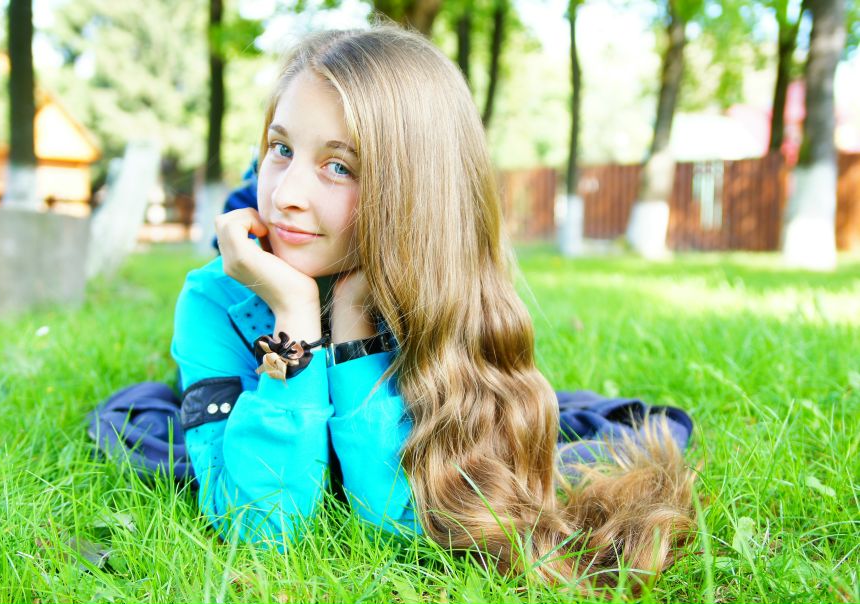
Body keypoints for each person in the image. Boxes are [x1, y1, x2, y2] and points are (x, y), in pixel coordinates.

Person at [91, 24, 696, 590]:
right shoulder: (215, 300)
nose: (286, 195)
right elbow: (261, 527)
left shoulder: (436, 292)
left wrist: (353, 321)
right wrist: (295, 318)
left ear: (411, 192)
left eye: (338, 166)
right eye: (281, 148)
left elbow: (400, 519)